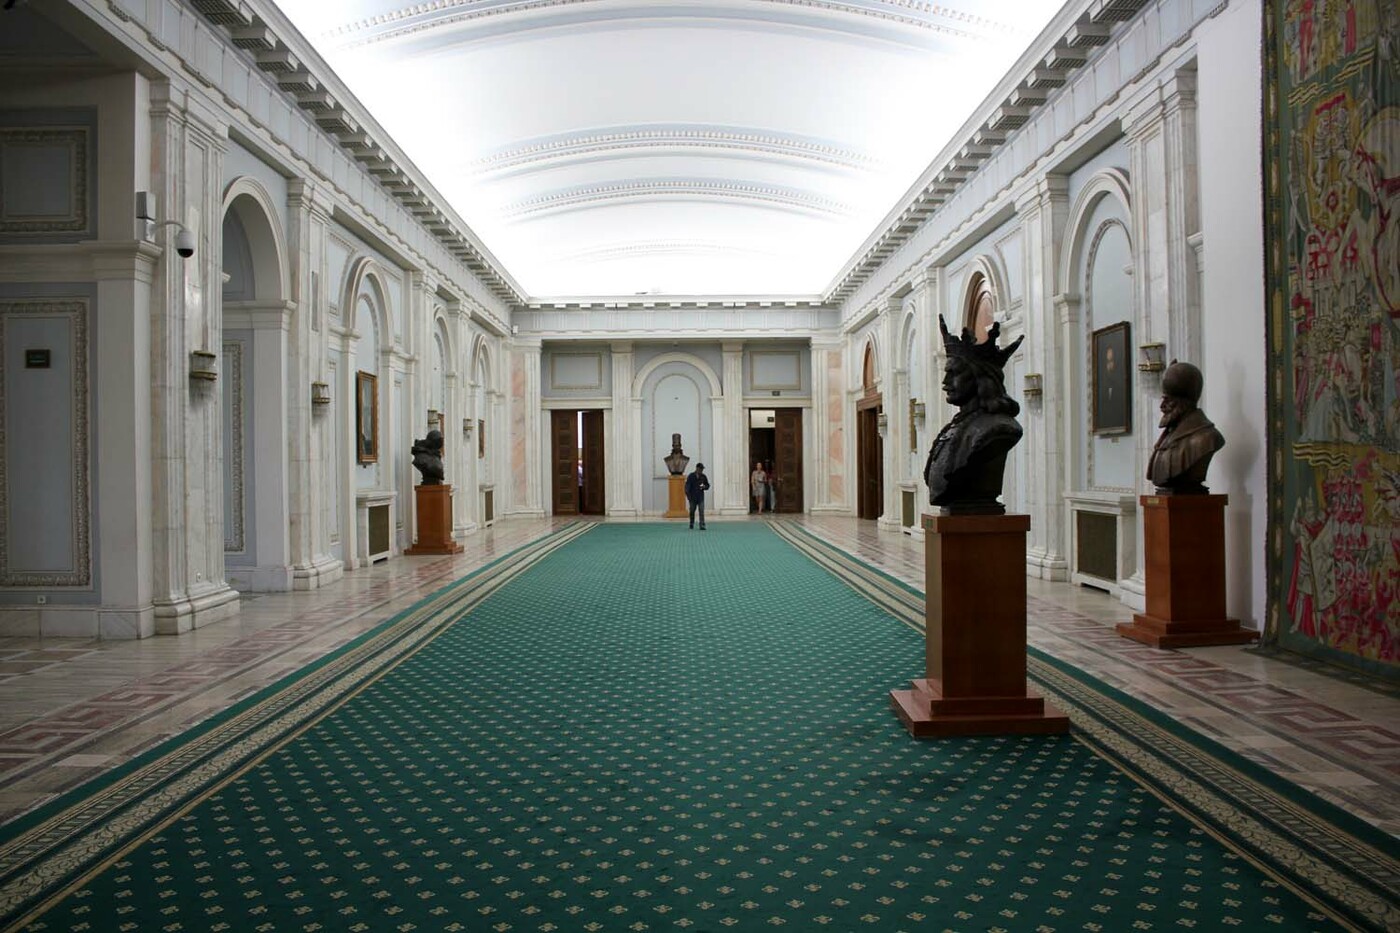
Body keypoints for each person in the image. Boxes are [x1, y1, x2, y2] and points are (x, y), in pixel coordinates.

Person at [923, 315, 1024, 514]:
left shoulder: (1000, 428)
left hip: (979, 515)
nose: (945, 382)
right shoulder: (954, 426)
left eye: (954, 373)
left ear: (979, 376)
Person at [1146, 360, 1226, 494]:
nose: (1161, 406)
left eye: (1167, 400)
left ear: (1183, 403)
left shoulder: (1207, 437)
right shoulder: (1168, 436)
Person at [686, 462, 711, 529]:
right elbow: (687, 487)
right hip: (692, 498)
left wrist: (704, 487)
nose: (701, 470)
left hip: (700, 497)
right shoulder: (691, 476)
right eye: (700, 469)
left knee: (701, 511)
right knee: (692, 511)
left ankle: (702, 525)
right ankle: (691, 523)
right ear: (697, 468)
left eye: (702, 469)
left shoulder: (703, 476)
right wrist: (688, 496)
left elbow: (707, 485)